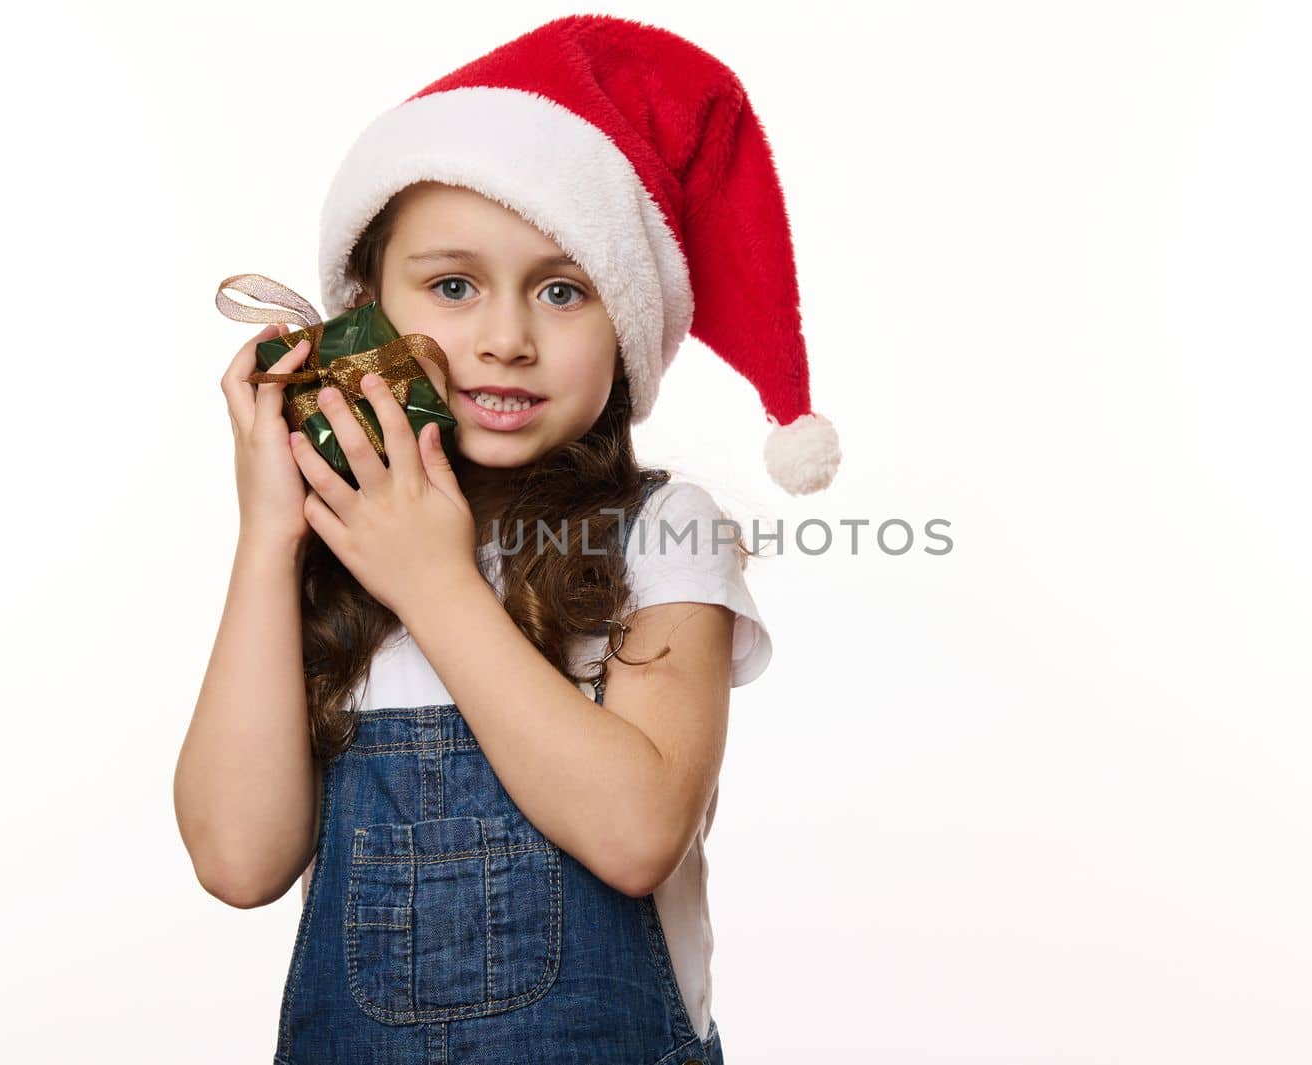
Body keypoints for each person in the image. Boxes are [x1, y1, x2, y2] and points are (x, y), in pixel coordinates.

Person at [175, 14, 840, 1064]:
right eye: (451, 286)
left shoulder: (660, 533)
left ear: (624, 329)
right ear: (366, 314)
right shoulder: (327, 550)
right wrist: (270, 536)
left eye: (562, 290)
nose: (505, 338)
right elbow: (238, 861)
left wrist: (434, 584)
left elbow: (635, 839)